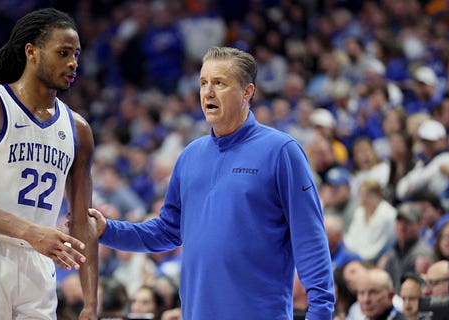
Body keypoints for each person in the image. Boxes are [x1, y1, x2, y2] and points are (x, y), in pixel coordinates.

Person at [88, 46, 335, 319]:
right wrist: (107, 230)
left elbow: (310, 240)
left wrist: (320, 313)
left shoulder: (281, 151)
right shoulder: (190, 155)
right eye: (204, 83)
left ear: (247, 92)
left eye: (219, 83)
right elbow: (166, 231)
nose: (208, 92)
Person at [0, 8, 98, 320]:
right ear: (32, 52)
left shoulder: (78, 129)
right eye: (63, 53)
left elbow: (82, 221)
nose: (73, 63)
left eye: (77, 54)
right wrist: (31, 231)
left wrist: (91, 304)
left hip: (37, 263)